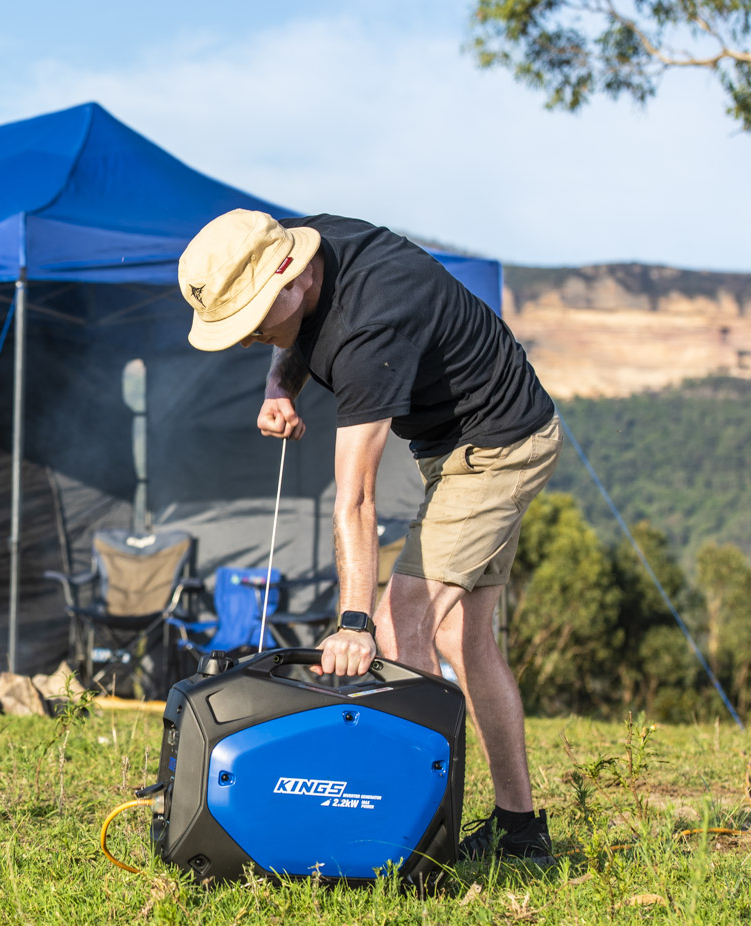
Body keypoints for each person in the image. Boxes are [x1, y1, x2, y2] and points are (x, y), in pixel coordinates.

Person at [178, 209, 563, 862]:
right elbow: (289, 336)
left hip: (499, 445)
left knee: (399, 619)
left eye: (253, 321)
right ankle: (520, 830)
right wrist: (280, 382)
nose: (249, 339)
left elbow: (355, 496)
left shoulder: (370, 322)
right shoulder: (288, 241)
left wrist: (354, 619)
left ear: (294, 281)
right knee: (459, 635)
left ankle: (411, 843)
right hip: (453, 444)